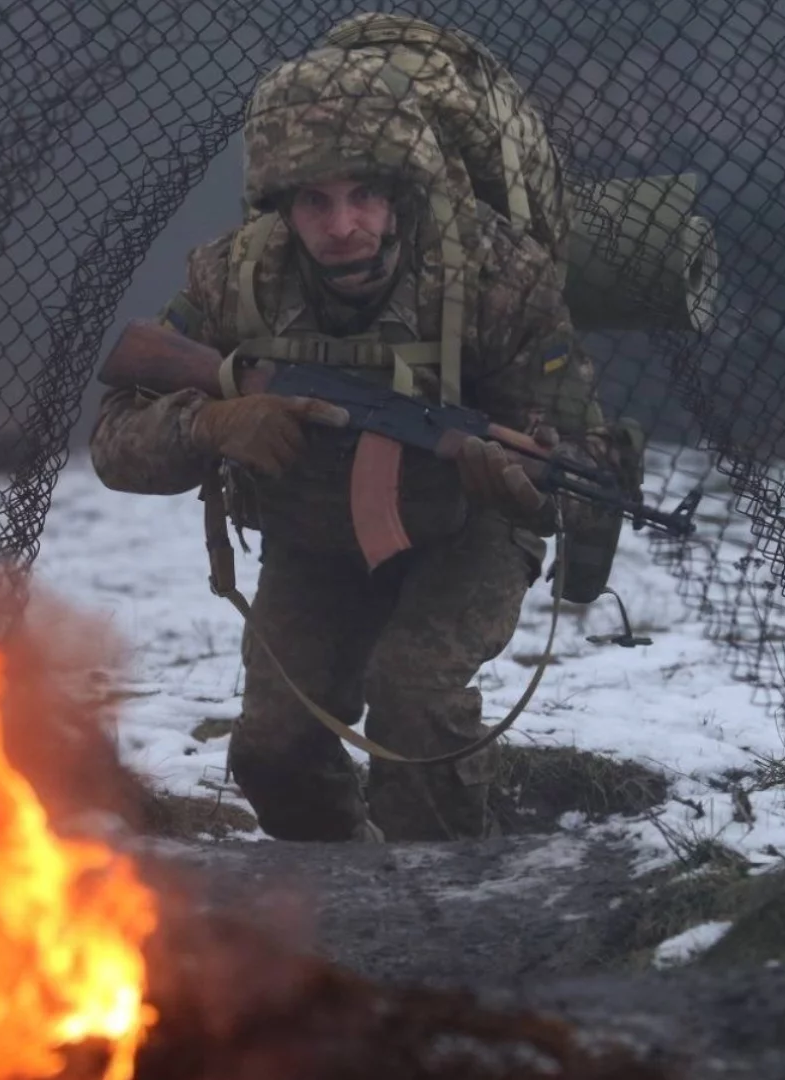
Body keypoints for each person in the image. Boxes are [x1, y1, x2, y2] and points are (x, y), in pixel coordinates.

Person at [87, 44, 620, 842]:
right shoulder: (235, 279)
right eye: (315, 202)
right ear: (280, 205)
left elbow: (578, 448)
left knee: (416, 700)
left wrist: (521, 485)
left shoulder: (494, 272)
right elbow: (113, 439)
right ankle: (330, 909)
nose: (343, 226)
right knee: (272, 749)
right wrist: (213, 421)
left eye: (365, 194)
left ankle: (441, 905)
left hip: (464, 531)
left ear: (403, 191)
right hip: (313, 533)